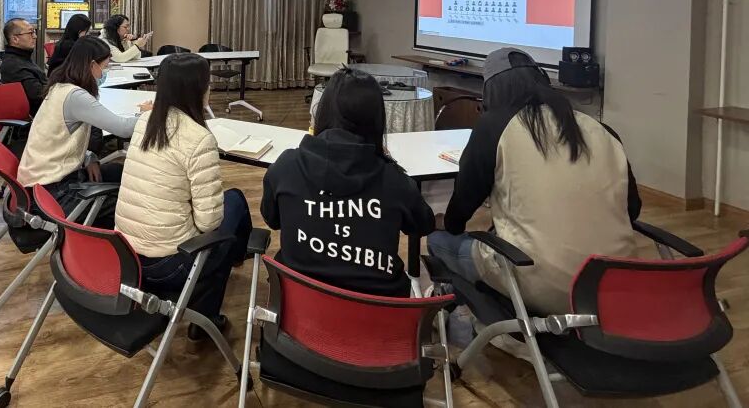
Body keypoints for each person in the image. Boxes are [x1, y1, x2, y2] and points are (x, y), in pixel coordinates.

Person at [427, 48, 640, 316]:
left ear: (492, 90)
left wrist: (448, 225)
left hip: (541, 283)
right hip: (616, 284)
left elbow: (463, 204)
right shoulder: (602, 130)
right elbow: (632, 210)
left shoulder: (494, 126)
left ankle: (472, 321)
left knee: (438, 241)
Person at [261, 67, 435, 298]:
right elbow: (423, 225)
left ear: (323, 111)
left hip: (298, 309)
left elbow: (272, 219)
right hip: (378, 313)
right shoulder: (395, 182)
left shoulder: (286, 167)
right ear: (375, 119)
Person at [116, 53, 251, 340]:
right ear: (199, 90)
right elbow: (208, 223)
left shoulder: (145, 121)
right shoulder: (199, 138)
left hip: (127, 256)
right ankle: (206, 318)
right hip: (168, 265)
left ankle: (235, 256)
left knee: (229, 209)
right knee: (234, 205)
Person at [17, 36, 151, 227]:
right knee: (133, 205)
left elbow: (58, 138)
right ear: (92, 65)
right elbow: (122, 128)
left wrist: (88, 156)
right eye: (105, 67)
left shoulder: (60, 87)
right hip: (54, 190)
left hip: (48, 180)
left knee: (120, 172)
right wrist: (149, 115)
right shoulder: (75, 96)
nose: (105, 72)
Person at [0, 18, 47, 114]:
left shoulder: (23, 58)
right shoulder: (14, 65)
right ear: (15, 39)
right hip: (39, 114)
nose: (35, 36)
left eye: (34, 32)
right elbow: (38, 95)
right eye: (30, 33)